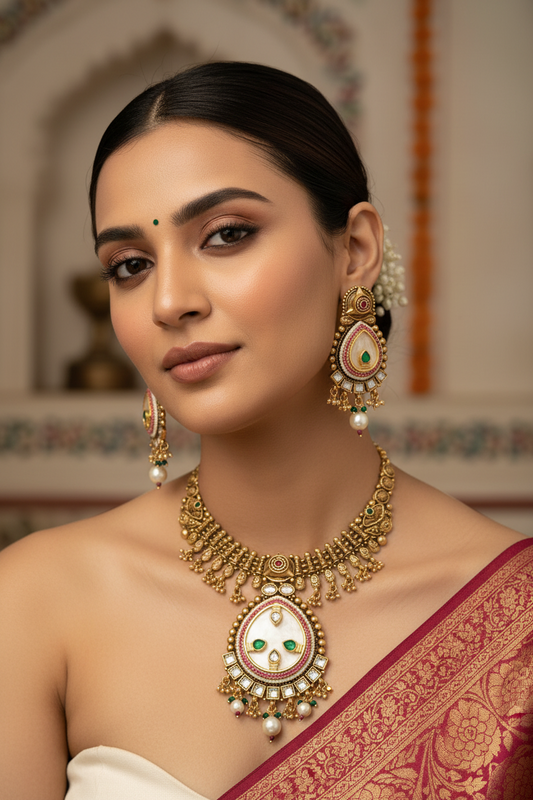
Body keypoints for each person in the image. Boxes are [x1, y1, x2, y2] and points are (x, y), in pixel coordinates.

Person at [0, 62, 531, 800]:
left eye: (227, 235)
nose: (169, 301)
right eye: (129, 265)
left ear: (355, 250)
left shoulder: (514, 619)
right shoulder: (34, 601)